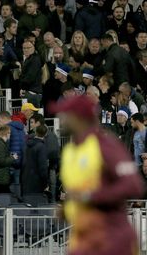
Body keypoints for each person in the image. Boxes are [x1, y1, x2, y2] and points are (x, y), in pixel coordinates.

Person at [53, 94, 144, 255]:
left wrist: (89, 197)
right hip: (84, 237)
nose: (61, 120)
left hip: (111, 238)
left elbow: (133, 185)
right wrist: (68, 209)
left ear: (79, 118)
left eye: (66, 115)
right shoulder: (70, 151)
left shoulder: (105, 146)